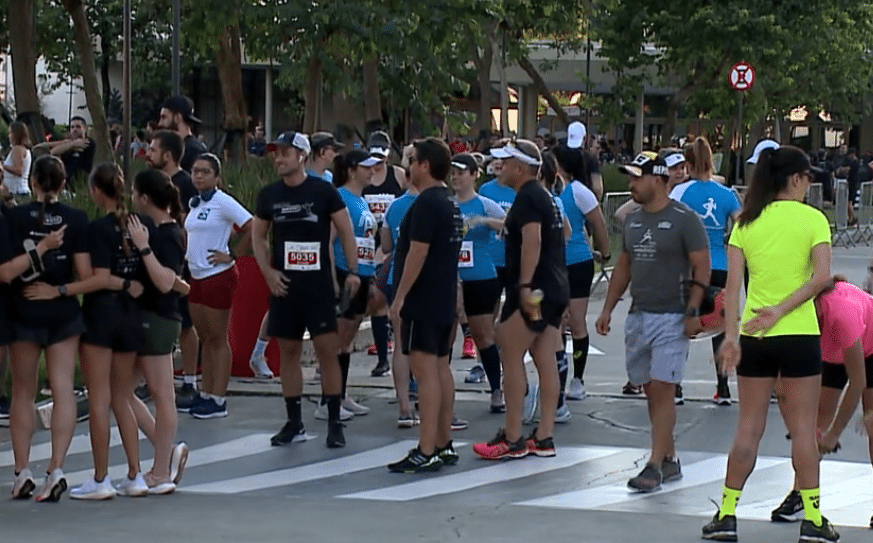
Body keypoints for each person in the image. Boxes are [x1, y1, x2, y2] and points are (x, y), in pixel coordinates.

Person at [700, 145, 838, 543]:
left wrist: (730, 338)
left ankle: (726, 514)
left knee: (748, 427)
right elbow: (822, 278)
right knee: (802, 430)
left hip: (754, 337)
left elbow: (731, 290)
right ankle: (813, 518)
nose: (810, 183)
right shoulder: (814, 220)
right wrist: (781, 310)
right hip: (798, 335)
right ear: (795, 179)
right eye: (808, 176)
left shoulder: (746, 223)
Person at [595, 152, 710, 493]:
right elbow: (624, 265)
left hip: (672, 317)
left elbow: (701, 266)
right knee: (650, 392)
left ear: (658, 179)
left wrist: (692, 311)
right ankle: (670, 457)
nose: (631, 185)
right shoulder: (632, 220)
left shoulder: (684, 219)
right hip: (639, 315)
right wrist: (608, 308)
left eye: (636, 178)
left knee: (663, 390)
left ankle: (654, 464)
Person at [252, 131, 360, 449]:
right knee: (288, 352)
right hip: (285, 286)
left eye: (284, 152)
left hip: (318, 286)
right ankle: (294, 421)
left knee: (328, 351)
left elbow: (345, 229)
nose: (278, 158)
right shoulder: (269, 194)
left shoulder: (323, 191)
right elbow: (258, 236)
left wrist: (352, 271)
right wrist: (268, 273)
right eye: (275, 154)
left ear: (302, 155)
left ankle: (334, 421)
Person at [472, 138, 569, 460]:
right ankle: (544, 435)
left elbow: (532, 240)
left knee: (509, 352)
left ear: (520, 167)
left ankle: (512, 436)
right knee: (545, 359)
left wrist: (525, 286)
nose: (500, 167)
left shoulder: (528, 197)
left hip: (534, 288)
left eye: (505, 162)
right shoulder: (547, 197)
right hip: (554, 286)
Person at [770, 277, 873, 526]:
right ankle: (801, 493)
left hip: (869, 348)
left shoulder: (841, 314)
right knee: (817, 420)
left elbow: (857, 383)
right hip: (834, 352)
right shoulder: (797, 317)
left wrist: (834, 434)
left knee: (872, 424)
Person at [387, 137, 463, 473]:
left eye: (413, 159)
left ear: (425, 166)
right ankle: (443, 443)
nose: (408, 165)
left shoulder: (427, 204)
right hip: (443, 296)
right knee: (440, 369)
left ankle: (427, 446)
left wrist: (400, 297)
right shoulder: (450, 201)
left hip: (423, 298)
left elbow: (417, 252)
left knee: (425, 372)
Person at [4, 155, 72, 501]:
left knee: (22, 392)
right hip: (63, 313)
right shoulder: (75, 219)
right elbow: (85, 271)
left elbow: (5, 272)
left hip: (24, 310)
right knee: (62, 391)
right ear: (62, 184)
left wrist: (39, 248)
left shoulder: (14, 218)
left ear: (32, 182)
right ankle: (56, 468)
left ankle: (22, 470)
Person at [124, 169, 190, 494]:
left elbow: (165, 281)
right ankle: (167, 452)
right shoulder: (154, 230)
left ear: (145, 198)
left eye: (135, 193)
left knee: (163, 395)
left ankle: (161, 472)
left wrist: (144, 248)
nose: (132, 200)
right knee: (117, 392)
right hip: (143, 317)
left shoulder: (167, 234)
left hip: (159, 318)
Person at [670, 138, 741, 405]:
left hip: (689, 266)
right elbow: (741, 226)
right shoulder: (727, 194)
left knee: (682, 325)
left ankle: (675, 385)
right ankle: (723, 388)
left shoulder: (680, 192)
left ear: (687, 163)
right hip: (720, 265)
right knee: (720, 325)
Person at [184, 153, 254, 418]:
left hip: (218, 275)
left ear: (216, 176)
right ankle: (205, 392)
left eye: (205, 171)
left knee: (217, 338)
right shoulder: (195, 204)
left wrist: (233, 254)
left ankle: (219, 398)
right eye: (195, 171)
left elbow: (251, 225)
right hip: (196, 274)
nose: (199, 175)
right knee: (205, 338)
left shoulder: (223, 202)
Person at [146, 130, 200, 409]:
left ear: (167, 154)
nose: (148, 154)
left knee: (185, 323)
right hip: (151, 260)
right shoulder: (152, 181)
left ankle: (190, 379)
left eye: (153, 150)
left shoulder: (186, 184)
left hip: (178, 260)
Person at [554, 143, 609, 406]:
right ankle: (556, 378)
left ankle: (578, 378)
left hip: (576, 262)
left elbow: (598, 225)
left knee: (576, 321)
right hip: (552, 264)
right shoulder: (548, 190)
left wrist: (605, 253)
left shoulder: (579, 191)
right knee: (555, 323)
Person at [451, 153, 506, 413]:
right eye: (453, 173)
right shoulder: (447, 204)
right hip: (450, 279)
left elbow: (509, 227)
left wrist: (484, 221)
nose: (456, 177)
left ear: (474, 174)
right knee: (445, 335)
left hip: (482, 276)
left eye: (462, 172)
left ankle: (497, 389)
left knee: (483, 335)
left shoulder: (485, 204)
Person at [329, 149, 382, 417]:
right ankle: (329, 400)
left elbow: (367, 242)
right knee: (339, 337)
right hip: (343, 272)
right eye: (366, 167)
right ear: (351, 170)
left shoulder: (362, 201)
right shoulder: (340, 198)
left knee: (348, 339)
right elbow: (328, 241)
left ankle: (342, 394)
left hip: (362, 273)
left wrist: (369, 276)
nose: (372, 171)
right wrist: (334, 279)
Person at [472, 139, 516, 381]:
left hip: (513, 259)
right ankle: (482, 362)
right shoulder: (487, 190)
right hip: (491, 259)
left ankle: (505, 358)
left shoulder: (517, 189)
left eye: (504, 159)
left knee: (512, 314)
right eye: (495, 159)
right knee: (488, 314)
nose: (499, 163)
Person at [363, 131, 407, 375]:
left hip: (390, 246)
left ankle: (392, 353)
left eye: (381, 156)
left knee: (387, 302)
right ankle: (382, 358)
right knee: (376, 303)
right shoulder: (364, 175)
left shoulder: (398, 175)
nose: (376, 163)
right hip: (368, 246)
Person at [380, 176, 419, 427]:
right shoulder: (440, 203)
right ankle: (428, 403)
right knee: (430, 346)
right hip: (430, 281)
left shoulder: (394, 206)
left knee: (401, 343)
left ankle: (404, 405)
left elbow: (385, 245)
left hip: (397, 276)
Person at [158, 95, 207, 173]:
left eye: (164, 117)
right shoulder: (191, 148)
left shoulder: (194, 150)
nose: (160, 123)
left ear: (177, 117)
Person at [48, 116, 95, 194]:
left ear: (84, 128)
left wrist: (68, 146)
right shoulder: (69, 143)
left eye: (78, 127)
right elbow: (53, 152)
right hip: (65, 185)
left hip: (81, 185)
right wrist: (72, 144)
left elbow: (80, 147)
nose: (75, 129)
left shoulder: (89, 142)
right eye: (72, 127)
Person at [3, 121, 33, 203]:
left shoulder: (17, 149)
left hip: (17, 193)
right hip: (19, 191)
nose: (9, 136)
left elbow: (19, 170)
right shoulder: (24, 149)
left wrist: (2, 166)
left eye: (10, 133)